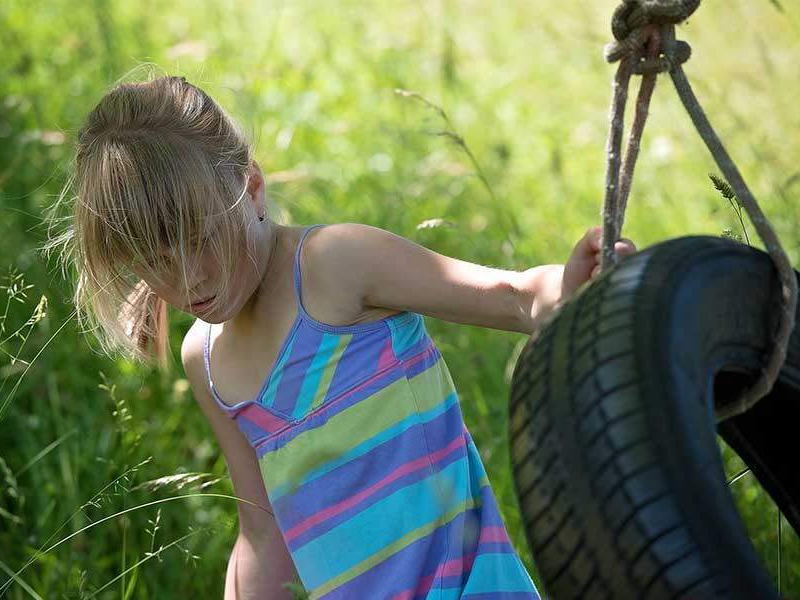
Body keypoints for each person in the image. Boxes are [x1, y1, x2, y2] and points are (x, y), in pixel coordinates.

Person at [50, 75, 637, 599]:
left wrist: (569, 289)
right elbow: (262, 532)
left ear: (250, 186)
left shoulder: (336, 266)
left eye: (199, 240)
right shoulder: (206, 360)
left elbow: (512, 299)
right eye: (153, 262)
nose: (187, 279)